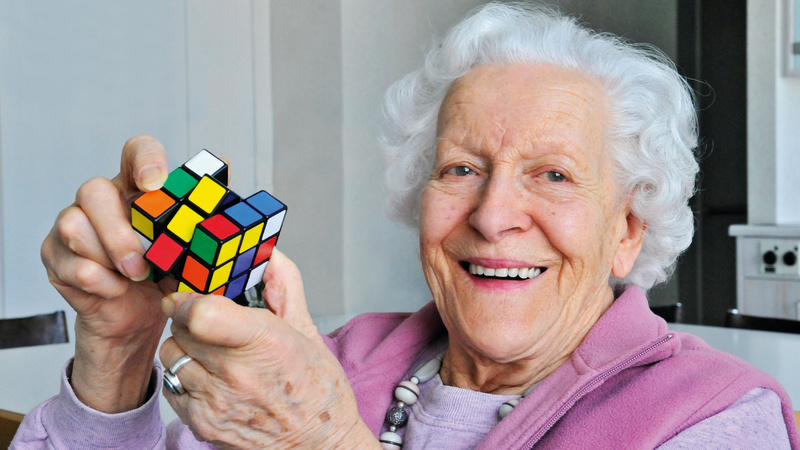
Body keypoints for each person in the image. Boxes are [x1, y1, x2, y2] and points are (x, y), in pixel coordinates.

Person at [12, 2, 800, 449]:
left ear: (628, 228)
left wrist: (328, 441)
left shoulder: (712, 419)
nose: (492, 215)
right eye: (460, 169)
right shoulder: (327, 361)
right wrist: (117, 355)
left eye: (553, 175)